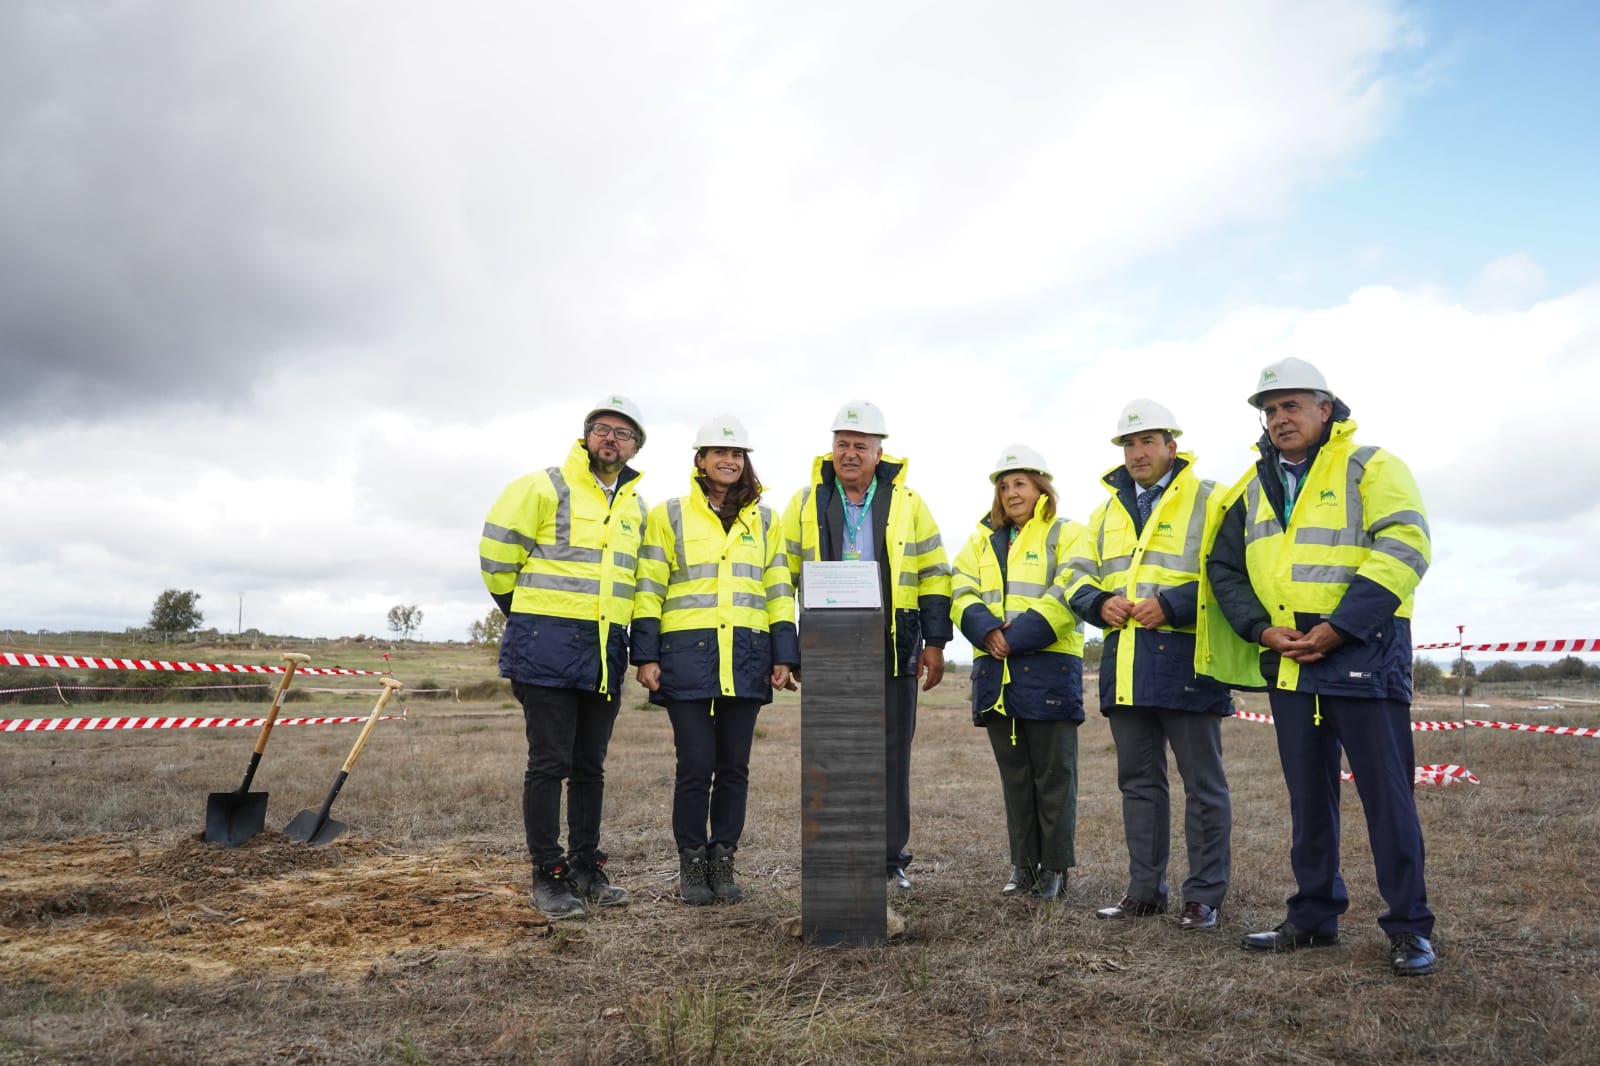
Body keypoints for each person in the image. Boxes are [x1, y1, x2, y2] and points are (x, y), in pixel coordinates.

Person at [1199, 357, 1436, 977]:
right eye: (1270, 410)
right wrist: (1259, 629)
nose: (1280, 418)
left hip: (1362, 652)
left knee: (1387, 798)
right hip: (1289, 662)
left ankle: (1409, 927)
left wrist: (1341, 627)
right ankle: (1312, 916)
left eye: (1292, 406)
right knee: (1308, 798)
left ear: (1326, 408)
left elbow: (1405, 545)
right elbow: (1223, 569)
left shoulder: (1371, 465)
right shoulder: (1249, 490)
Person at [478, 394, 649, 920]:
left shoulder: (634, 508)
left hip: (603, 652)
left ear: (636, 446)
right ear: (586, 435)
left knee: (589, 767)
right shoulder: (542, 486)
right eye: (603, 428)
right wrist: (528, 616)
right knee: (549, 763)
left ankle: (584, 866)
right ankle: (547, 875)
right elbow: (496, 559)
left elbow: (634, 582)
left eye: (624, 433)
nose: (611, 438)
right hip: (546, 648)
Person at [1071, 400, 1233, 930]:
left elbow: (1234, 569)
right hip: (1126, 662)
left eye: (1147, 442)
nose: (1137, 452)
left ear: (1173, 446)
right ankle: (1144, 892)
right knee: (1138, 784)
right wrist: (1098, 603)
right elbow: (1074, 575)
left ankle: (1203, 896)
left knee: (1202, 783)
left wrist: (1178, 603)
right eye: (1128, 444)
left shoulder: (1212, 499)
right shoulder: (1103, 512)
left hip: (1189, 659)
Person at [781, 400, 952, 893]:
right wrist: (786, 647)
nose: (849, 453)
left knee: (891, 754)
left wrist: (935, 642)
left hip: (892, 643)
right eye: (842, 444)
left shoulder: (909, 503)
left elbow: (935, 573)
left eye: (860, 445)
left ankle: (888, 859)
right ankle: (835, 856)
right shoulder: (804, 502)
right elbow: (781, 573)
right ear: (830, 449)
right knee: (831, 754)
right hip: (827, 644)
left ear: (880, 453)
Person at [631, 415, 800, 906]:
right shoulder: (670, 515)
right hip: (685, 656)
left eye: (737, 454)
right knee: (695, 764)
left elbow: (777, 589)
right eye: (718, 453)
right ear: (699, 460)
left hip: (746, 656)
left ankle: (723, 859)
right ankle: (692, 861)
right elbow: (649, 586)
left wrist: (782, 654)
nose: (729, 461)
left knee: (733, 767)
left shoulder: (766, 520)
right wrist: (645, 654)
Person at [950, 445, 1096, 900]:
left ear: (1041, 488)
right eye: (1004, 485)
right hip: (996, 675)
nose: (1011, 493)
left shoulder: (1067, 533)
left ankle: (1055, 868)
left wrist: (1017, 635)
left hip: (1048, 668)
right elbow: (960, 589)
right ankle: (1023, 866)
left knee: (1053, 776)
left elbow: (1072, 586)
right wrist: (986, 631)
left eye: (1020, 484)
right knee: (1015, 776)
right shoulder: (979, 540)